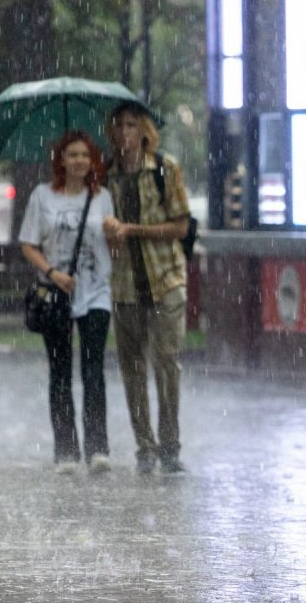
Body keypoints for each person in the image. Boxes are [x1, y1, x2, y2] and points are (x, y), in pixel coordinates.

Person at [102, 103, 192, 474]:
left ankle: (170, 444)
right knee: (131, 369)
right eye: (119, 125)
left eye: (132, 124)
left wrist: (133, 230)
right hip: (124, 285)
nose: (125, 132)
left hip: (166, 279)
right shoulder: (105, 175)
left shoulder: (164, 170)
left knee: (167, 363)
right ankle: (145, 445)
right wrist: (108, 231)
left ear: (144, 131)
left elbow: (181, 226)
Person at [19, 131, 115, 475]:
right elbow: (28, 244)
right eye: (72, 154)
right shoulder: (42, 196)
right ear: (60, 159)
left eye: (85, 155)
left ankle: (98, 448)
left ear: (93, 162)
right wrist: (52, 271)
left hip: (95, 292)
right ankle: (66, 450)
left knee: (93, 371)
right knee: (60, 372)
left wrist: (115, 232)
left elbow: (110, 243)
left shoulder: (102, 197)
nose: (79, 161)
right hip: (56, 294)